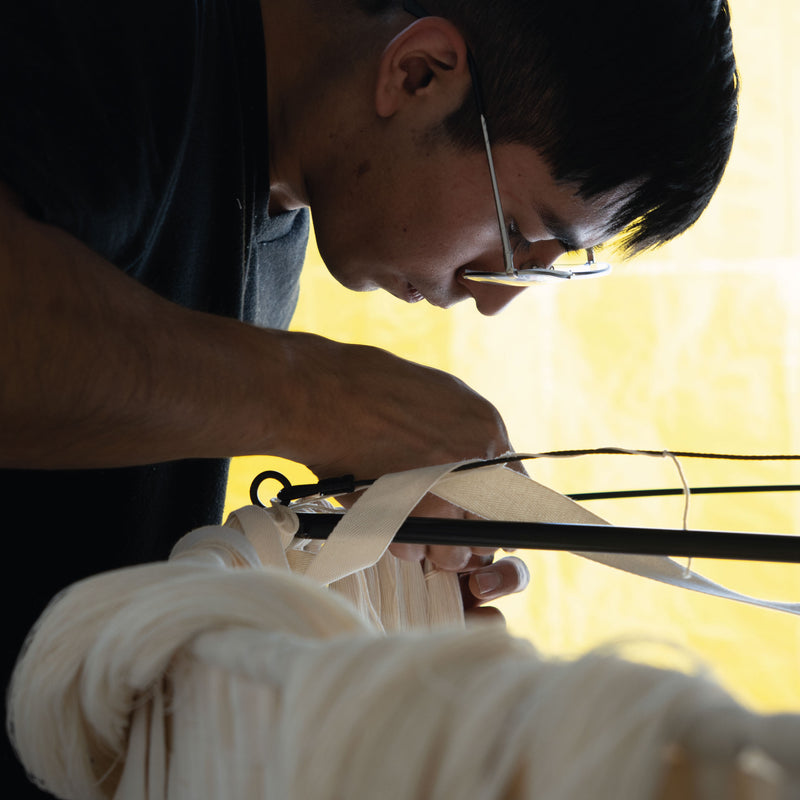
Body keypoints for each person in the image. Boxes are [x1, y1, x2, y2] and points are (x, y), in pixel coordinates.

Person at [1, 0, 737, 795]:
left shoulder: (273, 209)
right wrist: (322, 397)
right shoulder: (107, 42)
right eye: (517, 231)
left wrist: (342, 592)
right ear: (417, 73)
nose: (494, 296)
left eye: (543, 264)